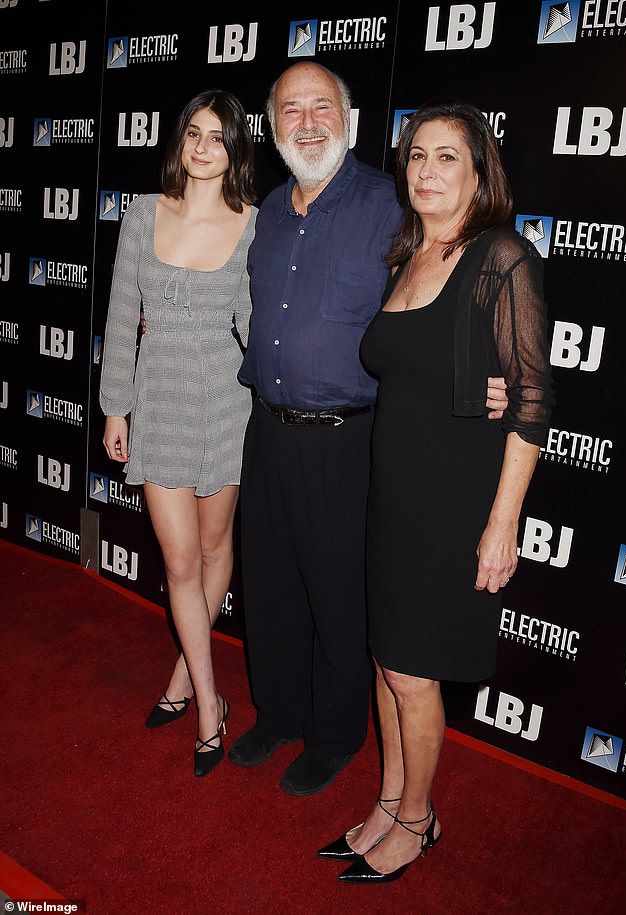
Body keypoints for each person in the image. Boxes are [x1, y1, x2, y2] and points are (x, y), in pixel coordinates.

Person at [230, 63, 509, 797]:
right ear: (273, 126)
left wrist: (488, 369)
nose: (309, 121)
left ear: (349, 120)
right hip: (268, 432)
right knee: (273, 587)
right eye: (292, 109)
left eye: (323, 106)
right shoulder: (265, 213)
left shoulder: (391, 206)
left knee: (339, 598)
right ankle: (280, 712)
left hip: (349, 440)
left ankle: (332, 734)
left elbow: (453, 281)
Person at [316, 102, 553, 881]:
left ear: (479, 172)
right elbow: (425, 369)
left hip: (454, 505)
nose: (426, 171)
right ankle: (389, 801)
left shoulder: (503, 258)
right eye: (417, 155)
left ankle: (419, 819)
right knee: (389, 660)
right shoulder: (406, 255)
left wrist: (502, 523)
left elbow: (530, 401)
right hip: (393, 495)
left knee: (415, 672)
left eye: (447, 157)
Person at [99, 89, 257, 778]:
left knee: (217, 547)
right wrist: (115, 408)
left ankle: (181, 675)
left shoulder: (253, 224)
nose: (201, 146)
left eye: (217, 137)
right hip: (158, 402)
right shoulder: (143, 213)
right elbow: (117, 315)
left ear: (236, 149)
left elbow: (257, 328)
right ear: (179, 141)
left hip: (226, 402)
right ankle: (210, 706)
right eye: (193, 132)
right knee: (182, 563)